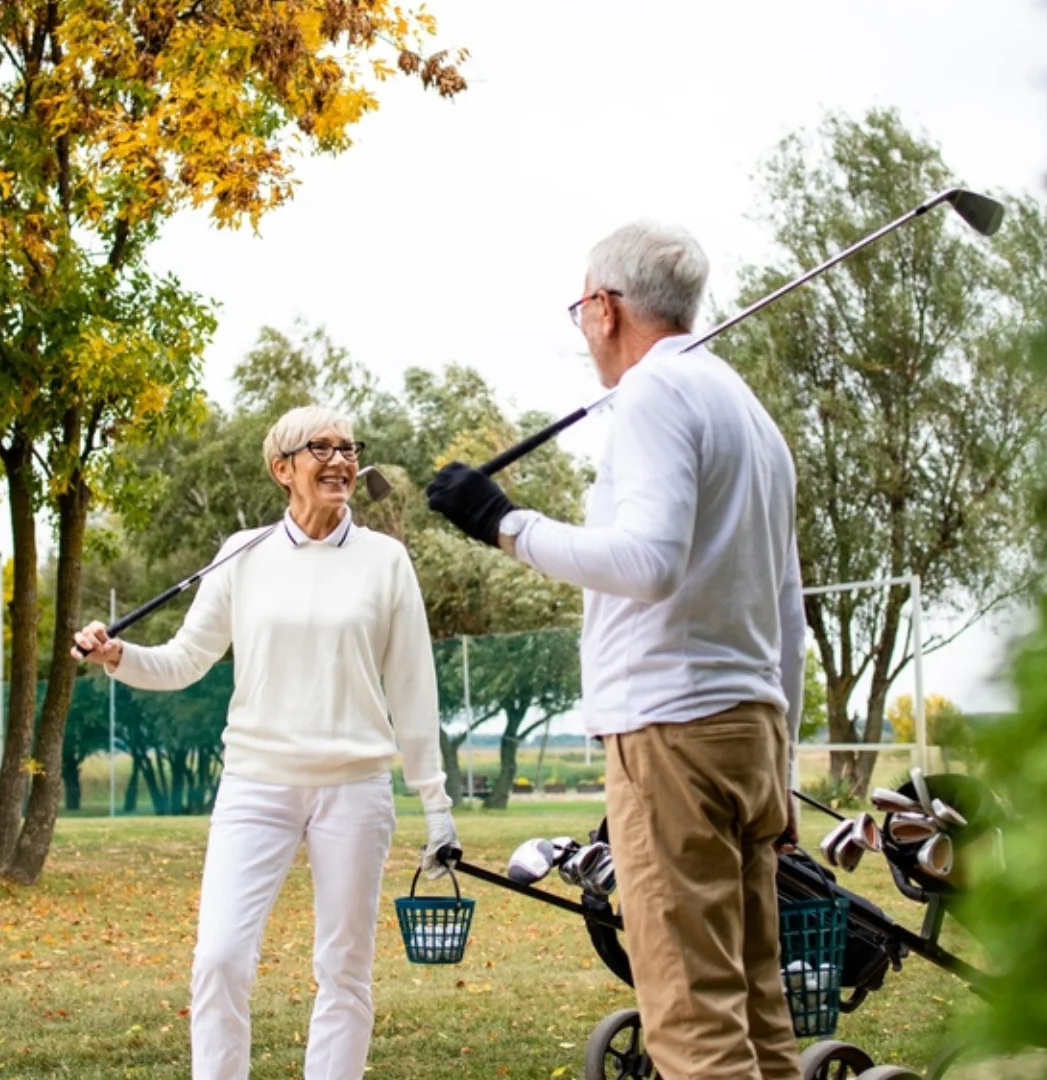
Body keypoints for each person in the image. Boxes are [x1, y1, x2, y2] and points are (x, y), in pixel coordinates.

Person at [425, 221, 806, 1080]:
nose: (582, 325)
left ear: (604, 308)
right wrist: (778, 765)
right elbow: (788, 606)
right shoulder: (750, 413)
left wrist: (502, 521)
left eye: (580, 307)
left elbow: (647, 562)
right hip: (750, 734)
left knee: (693, 1020)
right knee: (757, 1010)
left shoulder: (653, 394)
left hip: (669, 732)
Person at [73, 405, 457, 1080]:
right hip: (258, 783)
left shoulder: (385, 561)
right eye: (321, 448)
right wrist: (117, 655)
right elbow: (186, 659)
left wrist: (437, 804)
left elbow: (414, 690)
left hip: (355, 788)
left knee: (345, 971)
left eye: (348, 447)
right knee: (219, 957)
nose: (340, 460)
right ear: (283, 469)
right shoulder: (241, 555)